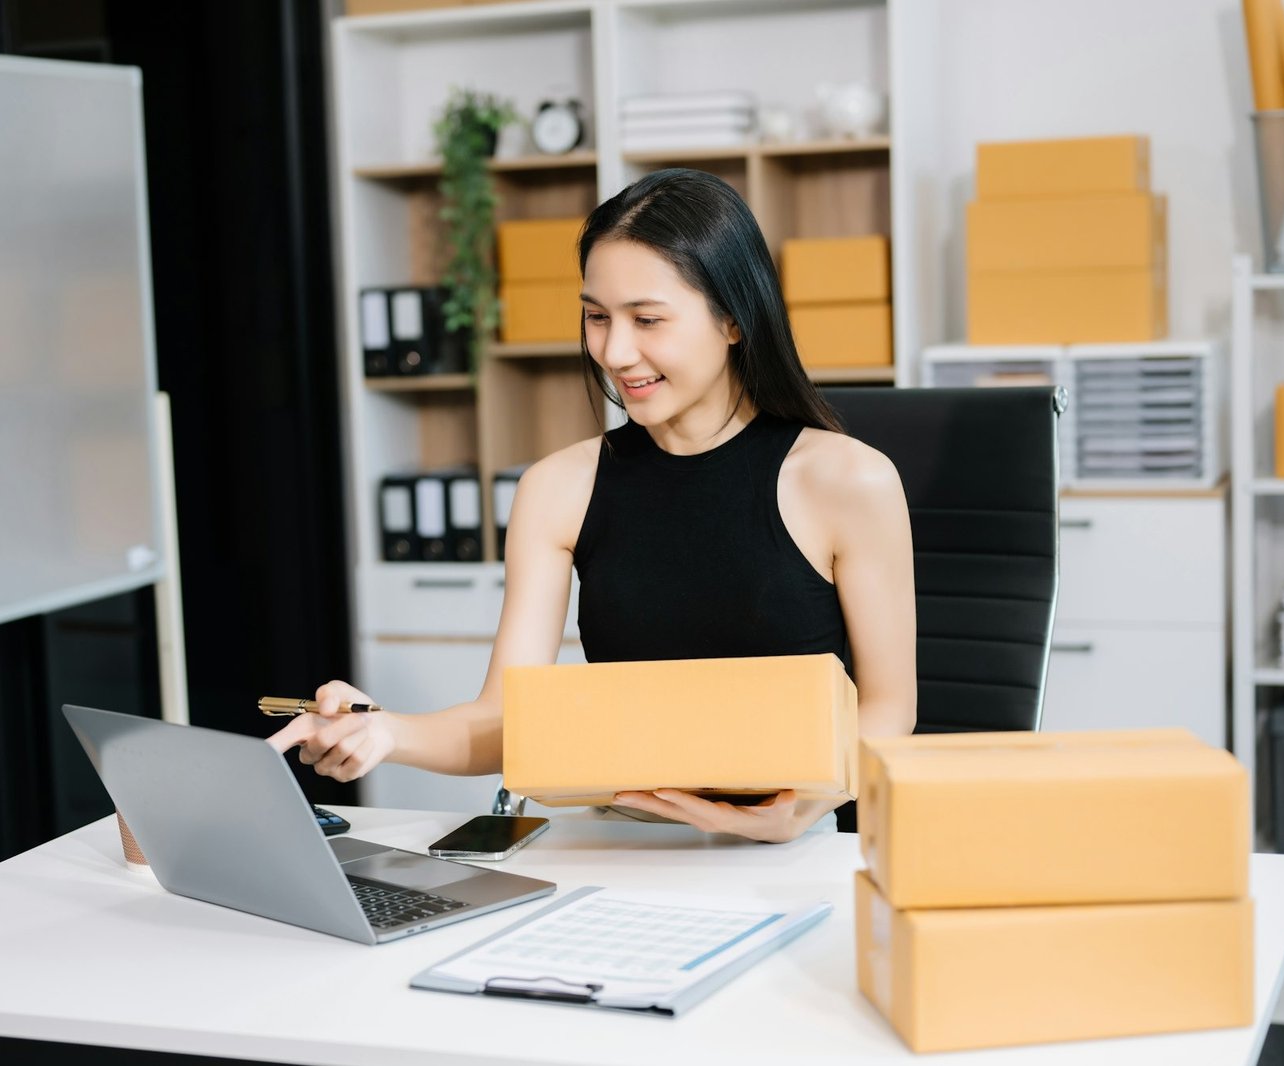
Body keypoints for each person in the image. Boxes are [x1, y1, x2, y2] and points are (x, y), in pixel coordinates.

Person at [270, 168, 915, 843]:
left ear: (732, 318)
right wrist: (383, 730)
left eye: (647, 319)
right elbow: (506, 721)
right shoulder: (558, 489)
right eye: (597, 317)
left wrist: (804, 806)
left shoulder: (849, 481)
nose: (615, 351)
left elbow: (890, 705)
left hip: (800, 846)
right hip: (625, 841)